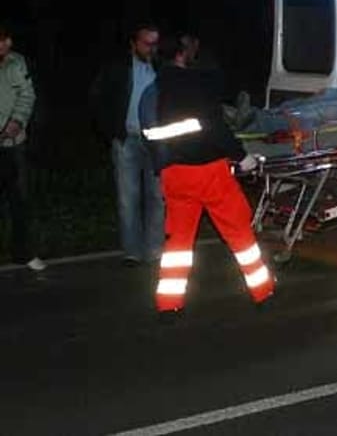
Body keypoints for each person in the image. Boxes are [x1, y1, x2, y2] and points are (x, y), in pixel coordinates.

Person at [139, 37, 274, 320]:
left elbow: (150, 137)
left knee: (178, 242)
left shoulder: (151, 93)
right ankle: (262, 291)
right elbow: (214, 128)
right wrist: (242, 157)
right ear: (180, 55)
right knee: (239, 231)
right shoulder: (195, 85)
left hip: (174, 175)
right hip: (208, 172)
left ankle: (169, 303)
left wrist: (165, 166)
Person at [89, 23, 164, 266]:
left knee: (157, 196)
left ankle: (155, 251)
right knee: (127, 198)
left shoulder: (162, 68)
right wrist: (111, 132)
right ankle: (132, 252)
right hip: (127, 139)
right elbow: (98, 98)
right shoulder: (117, 68)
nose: (151, 48)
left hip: (155, 141)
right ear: (133, 43)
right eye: (146, 43)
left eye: (155, 43)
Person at [0, 22, 45, 271]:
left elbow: (27, 95)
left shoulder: (16, 63)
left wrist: (17, 121)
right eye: (2, 40)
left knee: (21, 198)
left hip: (13, 143)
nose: (8, 45)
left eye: (8, 39)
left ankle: (24, 253)